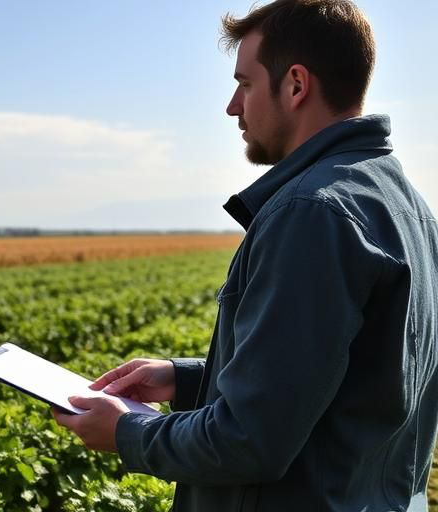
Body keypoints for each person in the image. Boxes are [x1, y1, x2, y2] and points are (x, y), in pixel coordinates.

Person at [52, 1, 438, 510]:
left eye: (246, 83)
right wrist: (186, 378)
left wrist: (126, 432)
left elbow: (248, 441)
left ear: (296, 85)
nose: (233, 106)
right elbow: (348, 375)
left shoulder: (313, 212)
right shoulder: (405, 202)